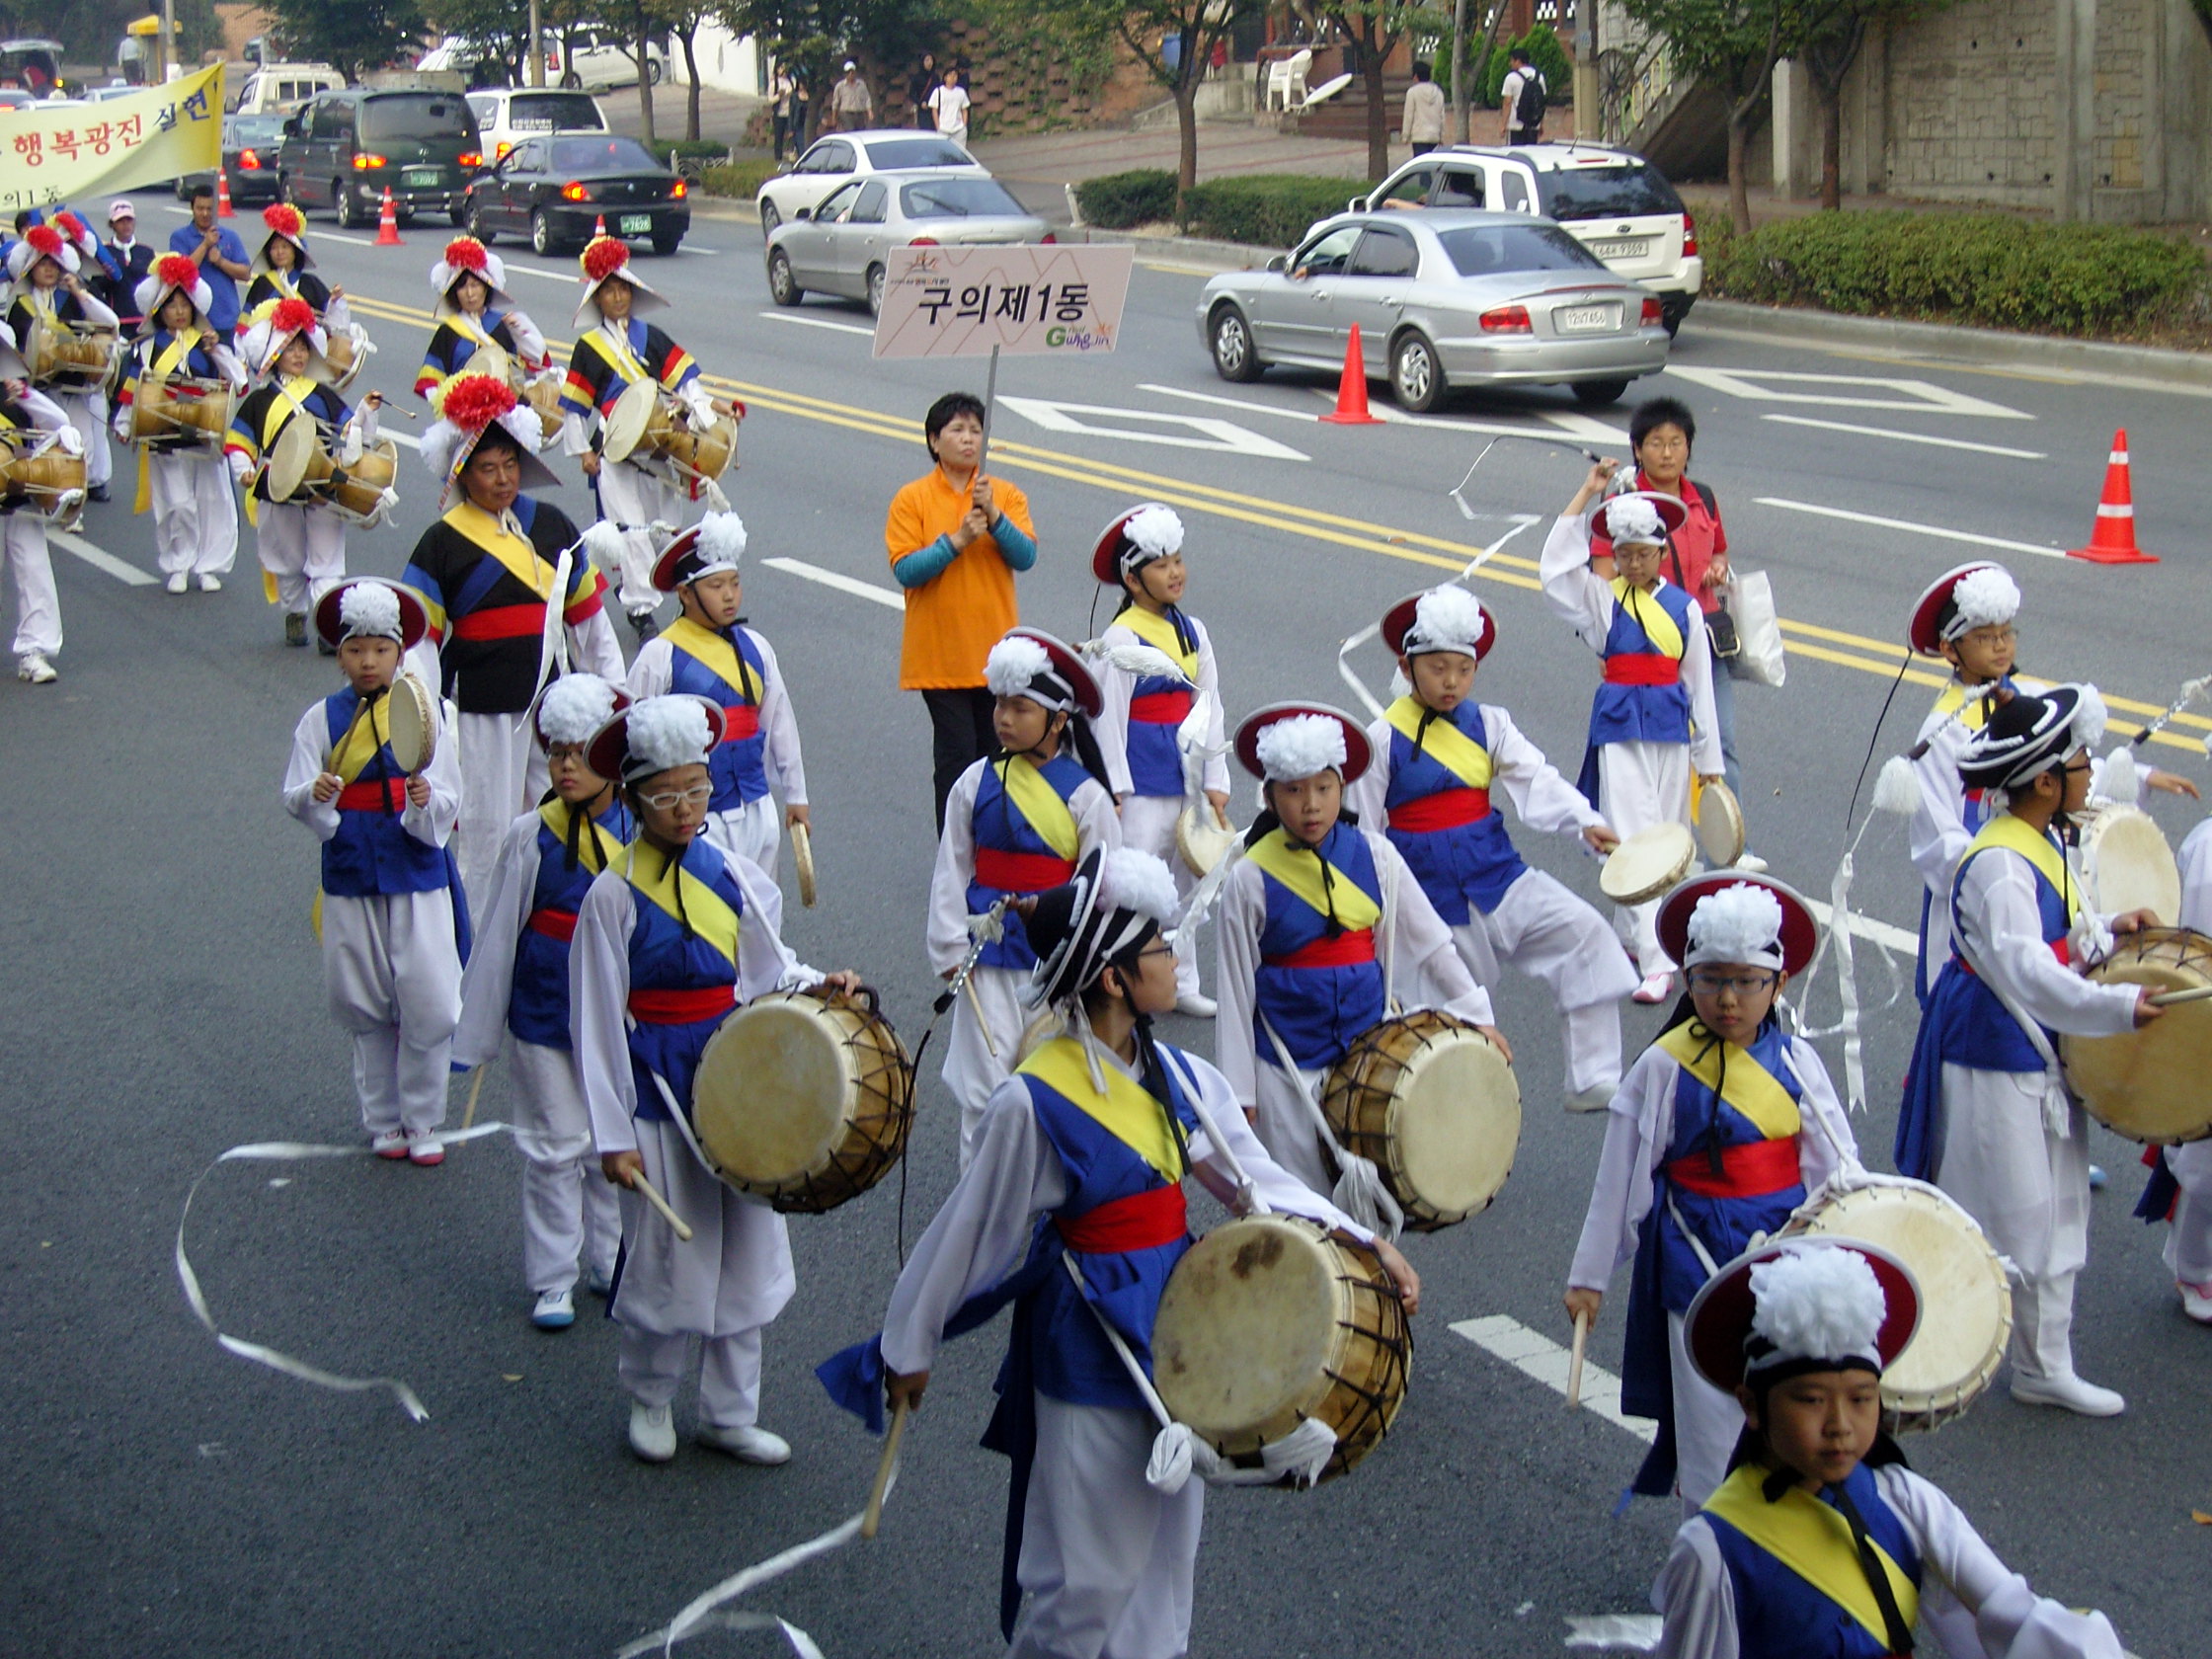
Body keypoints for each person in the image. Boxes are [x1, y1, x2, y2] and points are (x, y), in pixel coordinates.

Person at [819, 845, 1422, 1659]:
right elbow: (970, 1233)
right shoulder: (1034, 1100)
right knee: (1086, 1578)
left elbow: (1258, 1180)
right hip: (1088, 1334)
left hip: (1180, 1329)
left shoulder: (1177, 1075)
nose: (1174, 961)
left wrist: (1363, 1242)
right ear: (1113, 978)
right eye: (1160, 949)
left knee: (1167, 1565)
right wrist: (908, 1347)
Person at [568, 693, 861, 1465]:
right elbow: (595, 1021)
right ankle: (651, 1396)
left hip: (736, 1082)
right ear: (633, 799)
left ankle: (730, 1411)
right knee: (669, 1257)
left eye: (696, 791)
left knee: (747, 1253)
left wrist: (817, 984)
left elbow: (766, 968)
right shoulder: (611, 895)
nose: (686, 809)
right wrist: (612, 1135)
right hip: (658, 1090)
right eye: (667, 796)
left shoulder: (729, 870)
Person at [1654, 1237, 2131, 1659]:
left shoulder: (1905, 1499)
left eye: (1861, 1399)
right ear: (1751, 1405)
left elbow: (2010, 1610)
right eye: (1811, 1400)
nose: (1840, 1426)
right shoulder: (1712, 1550)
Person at [1895, 683, 2160, 1416]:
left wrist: (2107, 930)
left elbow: (2058, 936)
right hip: (1995, 1048)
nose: (2089, 770)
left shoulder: (2043, 842)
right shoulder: (2000, 863)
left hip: (2032, 1043)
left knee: (2057, 1210)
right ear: (2044, 782)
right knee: (2003, 1214)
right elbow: (2027, 969)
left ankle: (2045, 1366)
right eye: (2079, 762)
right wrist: (2119, 1008)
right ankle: (1938, 1348)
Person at [1564, 873, 1856, 1513]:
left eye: (1746, 982)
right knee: (1709, 1416)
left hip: (1787, 1254)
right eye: (1710, 980)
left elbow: (1836, 1168)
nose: (1728, 999)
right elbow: (1619, 1178)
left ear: (1778, 983)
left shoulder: (1799, 1062)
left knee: (1789, 1400)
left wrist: (1850, 1245)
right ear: (1687, 980)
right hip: (1692, 1256)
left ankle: (1785, 1536)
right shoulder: (1663, 1066)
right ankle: (1710, 1540)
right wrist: (1590, 1277)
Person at [1348, 585, 1635, 1112]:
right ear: (1407, 668)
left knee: (1585, 934)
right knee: (1453, 1019)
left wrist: (1585, 822)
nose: (1452, 681)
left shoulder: (1491, 724)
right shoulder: (1382, 738)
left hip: (1500, 877)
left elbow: (1537, 778)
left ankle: (1592, 1075)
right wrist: (1374, 916)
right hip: (1429, 898)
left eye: (1464, 669)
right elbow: (1365, 833)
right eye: (1438, 668)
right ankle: (1453, 1126)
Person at [1216, 702, 1506, 1199]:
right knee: (1298, 1200)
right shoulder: (1249, 877)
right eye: (1294, 791)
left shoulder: (1377, 856)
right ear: (1268, 797)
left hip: (1369, 1052)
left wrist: (1477, 1015)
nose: (1311, 805)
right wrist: (1238, 1091)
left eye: (1323, 788)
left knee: (1374, 1195)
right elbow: (1235, 986)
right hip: (1285, 1064)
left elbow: (1430, 943)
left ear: (1342, 788)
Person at [403, 370, 627, 899]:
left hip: (553, 704)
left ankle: (559, 915)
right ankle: (484, 932)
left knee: (564, 815)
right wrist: (422, 722)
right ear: (463, 474)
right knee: (489, 829)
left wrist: (615, 697)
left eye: (510, 464)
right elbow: (420, 644)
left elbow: (589, 623)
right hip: (485, 708)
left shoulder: (551, 525)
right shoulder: (441, 543)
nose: (502, 478)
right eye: (488, 468)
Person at [452, 673, 632, 1331]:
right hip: (542, 1010)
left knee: (610, 1144)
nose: (566, 767)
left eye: (581, 753)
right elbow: (499, 931)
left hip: (615, 1018)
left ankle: (609, 1259)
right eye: (556, 752)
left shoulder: (640, 834)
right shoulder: (529, 835)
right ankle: (553, 1277)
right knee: (553, 1146)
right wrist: (480, 1024)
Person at [280, 579, 466, 1165]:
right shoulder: (320, 719)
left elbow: (451, 794)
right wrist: (315, 795)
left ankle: (424, 1118)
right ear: (339, 655)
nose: (368, 661)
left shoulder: (432, 714)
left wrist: (425, 801)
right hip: (352, 869)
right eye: (356, 650)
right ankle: (384, 1120)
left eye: (381, 649)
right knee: (365, 1002)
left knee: (431, 1000)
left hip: (417, 868)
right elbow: (294, 793)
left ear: (400, 652)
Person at [929, 628, 1121, 1164]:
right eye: (1000, 705)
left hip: (1054, 961)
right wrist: (948, 946)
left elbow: (1105, 887)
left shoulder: (1087, 796)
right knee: (984, 1088)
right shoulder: (974, 782)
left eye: (1020, 708)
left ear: (1058, 721)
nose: (1003, 719)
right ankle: (979, 1191)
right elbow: (952, 868)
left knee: (1051, 1083)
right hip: (985, 956)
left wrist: (1093, 964)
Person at [1541, 462, 1724, 1004]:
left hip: (1670, 726)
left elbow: (1700, 686)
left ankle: (1635, 936)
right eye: (1624, 555)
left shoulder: (1685, 608)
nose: (1634, 563)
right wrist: (1586, 492)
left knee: (1666, 834)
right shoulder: (1601, 600)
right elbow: (1555, 571)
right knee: (1628, 833)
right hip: (1620, 725)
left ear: (1662, 553)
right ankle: (1657, 959)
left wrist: (1709, 763)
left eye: (1644, 553)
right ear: (1614, 555)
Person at [1593, 400, 1763, 868]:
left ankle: (1730, 846)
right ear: (1637, 450)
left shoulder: (1702, 497)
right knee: (1657, 749)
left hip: (1702, 635)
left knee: (1719, 740)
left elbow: (1720, 549)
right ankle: (1651, 851)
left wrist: (1717, 568)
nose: (1667, 453)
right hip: (1647, 647)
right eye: (1656, 443)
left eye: (1676, 443)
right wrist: (1610, 642)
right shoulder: (1624, 505)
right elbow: (1602, 578)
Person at [559, 235, 740, 644]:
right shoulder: (589, 347)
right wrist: (583, 450)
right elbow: (575, 405)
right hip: (615, 451)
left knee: (666, 528)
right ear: (598, 299)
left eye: (623, 289)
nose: (618, 297)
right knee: (632, 529)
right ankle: (641, 609)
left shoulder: (651, 336)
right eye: (609, 291)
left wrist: (707, 407)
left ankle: (674, 593)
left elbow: (685, 382)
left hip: (660, 447)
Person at [1090, 503, 1227, 1017]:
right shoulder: (1121, 638)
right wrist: (1114, 786)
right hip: (1141, 779)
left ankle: (1181, 978)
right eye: (1161, 564)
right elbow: (1107, 719)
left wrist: (1214, 778)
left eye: (1178, 560)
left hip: (1185, 773)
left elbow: (1209, 704)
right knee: (1138, 879)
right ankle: (1128, 978)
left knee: (1188, 879)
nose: (1175, 572)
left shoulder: (1194, 631)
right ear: (1132, 578)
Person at [626, 513, 809, 876]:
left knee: (760, 904)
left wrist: (796, 795)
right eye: (715, 586)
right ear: (685, 593)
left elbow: (780, 724)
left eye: (734, 583)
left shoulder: (757, 647)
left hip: (756, 804)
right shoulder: (660, 654)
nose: (729, 595)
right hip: (698, 813)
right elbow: (631, 737)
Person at [887, 390, 1039, 828]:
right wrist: (957, 542)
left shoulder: (1003, 495)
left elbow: (1025, 556)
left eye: (976, 430)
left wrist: (994, 518)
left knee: (997, 756)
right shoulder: (912, 498)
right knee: (957, 758)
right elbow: (906, 569)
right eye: (957, 430)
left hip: (995, 655)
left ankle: (991, 845)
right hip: (941, 656)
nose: (969, 438)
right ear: (934, 441)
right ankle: (954, 850)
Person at [223, 297, 383, 648]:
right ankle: (294, 611)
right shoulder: (259, 401)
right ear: (274, 353)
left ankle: (328, 625)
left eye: (302, 347)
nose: (297, 354)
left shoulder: (322, 394)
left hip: (322, 483)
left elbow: (349, 432)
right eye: (290, 347)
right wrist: (244, 469)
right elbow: (239, 442)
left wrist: (365, 412)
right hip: (277, 485)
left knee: (327, 560)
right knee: (288, 557)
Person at [1905, 562, 2021, 1005]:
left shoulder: (2027, 699)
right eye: (1985, 637)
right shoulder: (1942, 730)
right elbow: (1938, 837)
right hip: (1975, 897)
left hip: (2025, 882)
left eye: (2007, 633)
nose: (2001, 646)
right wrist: (1996, 875)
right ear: (1949, 649)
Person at [114, 254, 245, 594]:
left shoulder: (207, 342)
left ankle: (209, 566)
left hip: (205, 432)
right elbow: (134, 389)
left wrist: (218, 351)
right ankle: (179, 562)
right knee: (176, 503)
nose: (179, 311)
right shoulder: (148, 346)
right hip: (164, 433)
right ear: (159, 309)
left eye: (185, 304)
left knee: (212, 501)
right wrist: (125, 423)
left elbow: (239, 382)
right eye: (172, 305)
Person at [2140, 819, 2212, 1323]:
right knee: (2205, 1161)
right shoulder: (2209, 847)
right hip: (2204, 1019)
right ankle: (2194, 1268)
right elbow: (2200, 949)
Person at [5, 222, 119, 509]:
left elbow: (111, 324)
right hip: (37, 389)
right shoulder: (20, 305)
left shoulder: (72, 298)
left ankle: (73, 508)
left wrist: (79, 292)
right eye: (42, 264)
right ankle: (48, 499)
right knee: (43, 448)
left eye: (54, 264)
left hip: (73, 385)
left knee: (80, 446)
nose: (49, 270)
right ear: (31, 268)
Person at [0, 339, 80, 683]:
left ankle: (34, 650)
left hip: (22, 497)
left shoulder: (17, 395)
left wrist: (25, 395)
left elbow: (60, 422)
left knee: (34, 572)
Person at [413, 235, 550, 404]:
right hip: (463, 412)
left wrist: (521, 334)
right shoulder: (448, 332)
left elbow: (536, 367)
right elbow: (431, 382)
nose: (470, 294)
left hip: (504, 410)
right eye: (462, 287)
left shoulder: (504, 324)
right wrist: (447, 405)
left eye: (475, 285)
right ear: (454, 293)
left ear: (486, 288)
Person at [237, 202, 352, 344]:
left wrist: (334, 301)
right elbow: (246, 320)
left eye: (285, 247)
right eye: (274, 248)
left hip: (304, 348)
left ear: (295, 251)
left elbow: (331, 321)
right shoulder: (261, 284)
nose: (280, 252)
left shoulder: (310, 283)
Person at [167, 183, 251, 338]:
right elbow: (180, 274)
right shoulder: (179, 237)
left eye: (209, 209)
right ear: (192, 208)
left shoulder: (230, 236)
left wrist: (221, 262)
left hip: (226, 319)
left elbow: (245, 273)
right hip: (193, 321)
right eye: (200, 209)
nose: (205, 214)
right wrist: (205, 245)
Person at [97, 199, 155, 340]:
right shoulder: (104, 252)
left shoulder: (146, 252)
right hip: (117, 321)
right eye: (120, 221)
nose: (126, 225)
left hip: (144, 321)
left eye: (129, 220)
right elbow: (96, 288)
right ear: (112, 224)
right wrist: (106, 276)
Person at [1499, 45, 1545, 146]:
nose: (1510, 63)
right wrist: (1541, 124)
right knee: (1531, 152)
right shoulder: (1539, 77)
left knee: (1516, 152)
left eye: (1511, 60)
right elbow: (1541, 102)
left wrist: (1503, 125)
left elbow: (1507, 103)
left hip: (1516, 125)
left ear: (1518, 61)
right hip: (1533, 124)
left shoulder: (1511, 77)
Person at [1399, 59, 1445, 155]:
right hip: (1434, 136)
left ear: (1416, 76)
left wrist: (1405, 136)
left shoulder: (1412, 92)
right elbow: (1442, 116)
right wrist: (1441, 136)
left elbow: (1409, 115)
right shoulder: (1438, 92)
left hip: (1419, 136)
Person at [925, 65, 971, 145]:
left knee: (959, 150)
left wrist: (964, 125)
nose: (953, 77)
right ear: (945, 77)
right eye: (950, 75)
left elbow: (964, 109)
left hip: (959, 128)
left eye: (955, 75)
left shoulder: (961, 92)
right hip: (943, 128)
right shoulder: (938, 91)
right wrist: (938, 126)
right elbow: (934, 110)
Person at [829, 59, 872, 131]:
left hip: (859, 113)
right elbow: (835, 102)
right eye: (848, 72)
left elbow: (867, 98)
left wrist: (869, 112)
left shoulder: (861, 84)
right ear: (845, 74)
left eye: (852, 72)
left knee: (860, 132)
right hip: (846, 114)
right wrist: (834, 117)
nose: (851, 74)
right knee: (851, 131)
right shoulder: (840, 86)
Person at [770, 66, 799, 160]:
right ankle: (778, 157)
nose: (783, 70)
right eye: (781, 68)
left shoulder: (791, 81)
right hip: (779, 113)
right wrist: (779, 96)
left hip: (790, 112)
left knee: (792, 134)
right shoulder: (774, 83)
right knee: (779, 136)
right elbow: (770, 100)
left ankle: (793, 154)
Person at [908, 51, 937, 129]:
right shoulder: (917, 78)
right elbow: (912, 94)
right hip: (923, 111)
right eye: (927, 60)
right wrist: (920, 103)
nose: (929, 62)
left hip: (935, 109)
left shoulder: (935, 77)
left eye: (931, 60)